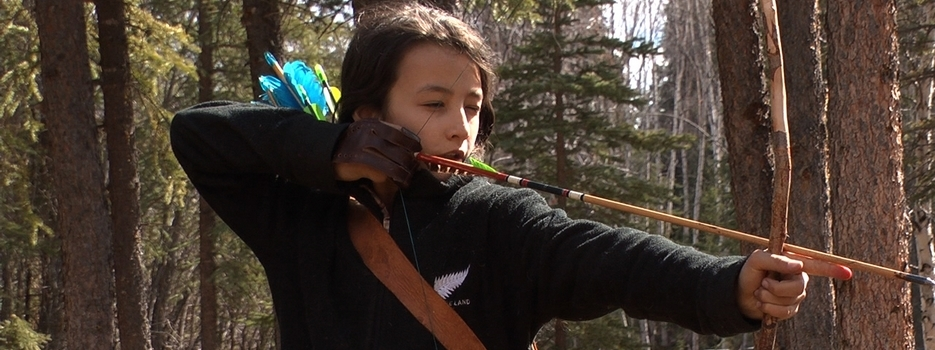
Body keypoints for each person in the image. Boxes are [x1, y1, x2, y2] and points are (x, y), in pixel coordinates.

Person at [170, 2, 852, 349]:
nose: (460, 128)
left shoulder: (496, 218)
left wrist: (727, 283)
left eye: (471, 107)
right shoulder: (303, 215)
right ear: (370, 113)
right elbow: (198, 133)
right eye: (433, 105)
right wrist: (329, 150)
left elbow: (606, 258)